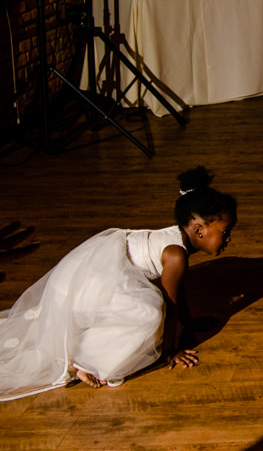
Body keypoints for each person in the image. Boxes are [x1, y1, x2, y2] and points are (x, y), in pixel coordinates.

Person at [0, 167, 237, 400]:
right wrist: (170, 351)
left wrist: (190, 323)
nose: (228, 238)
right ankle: (80, 361)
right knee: (149, 314)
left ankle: (76, 351)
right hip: (94, 280)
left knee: (146, 308)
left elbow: (178, 290)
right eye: (225, 232)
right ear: (199, 230)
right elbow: (171, 304)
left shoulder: (176, 240)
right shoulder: (176, 254)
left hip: (92, 269)